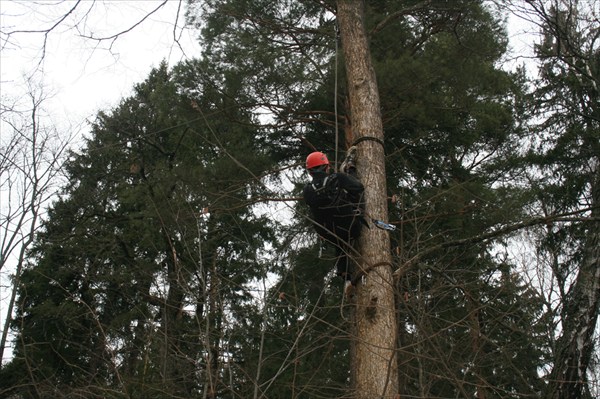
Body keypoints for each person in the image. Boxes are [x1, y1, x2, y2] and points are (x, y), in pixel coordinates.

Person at [303, 148, 365, 295]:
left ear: (310, 172)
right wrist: (348, 175)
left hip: (329, 232)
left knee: (341, 245)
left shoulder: (307, 191)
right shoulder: (337, 179)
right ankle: (350, 167)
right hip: (351, 226)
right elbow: (358, 187)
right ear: (326, 166)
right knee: (358, 193)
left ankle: (346, 280)